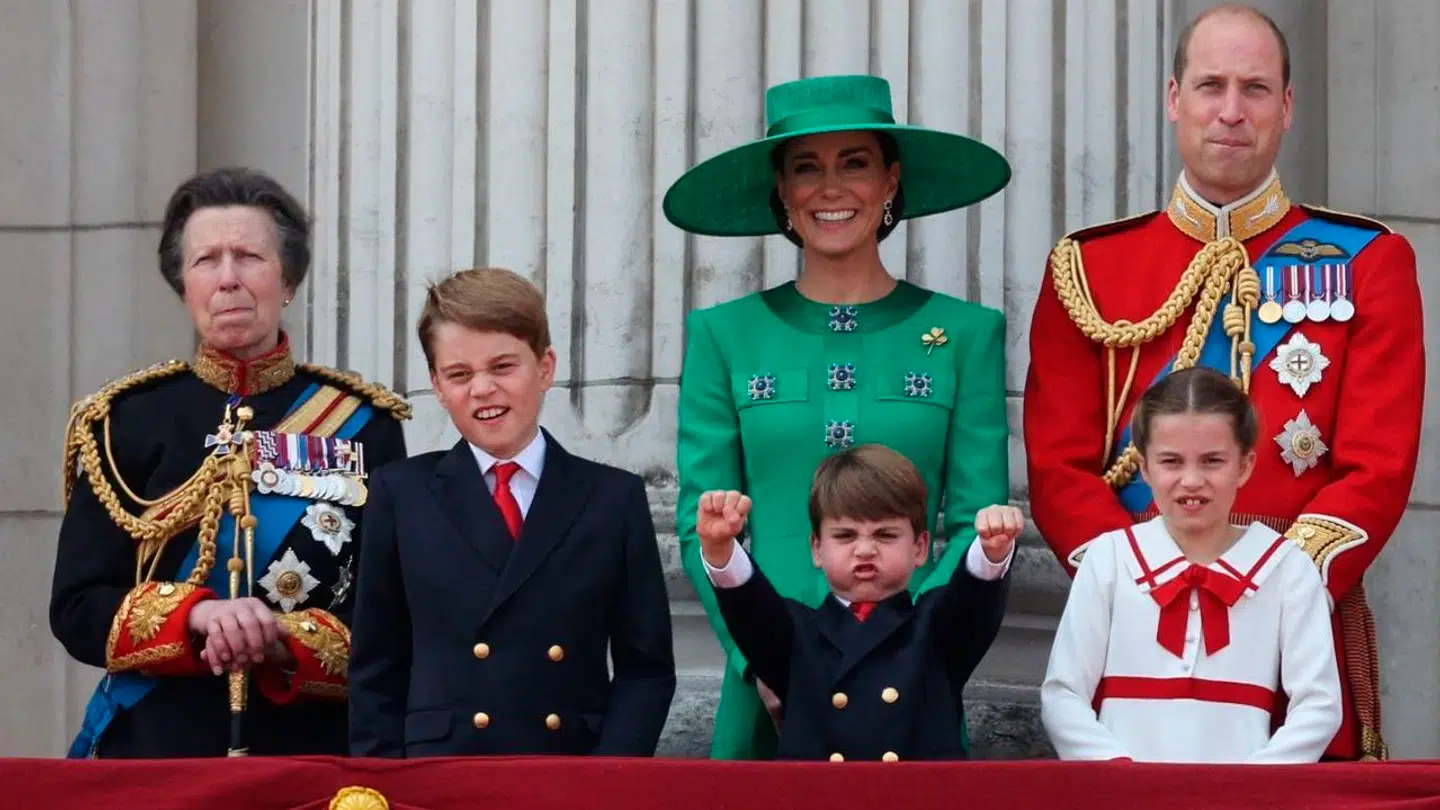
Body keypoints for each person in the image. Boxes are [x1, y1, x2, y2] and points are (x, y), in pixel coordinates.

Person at [1022, 3, 1424, 761]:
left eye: (1256, 89)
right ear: (1175, 99)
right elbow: (1057, 466)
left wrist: (1273, 592)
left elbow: (1378, 468)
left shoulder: (1369, 260)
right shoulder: (1090, 268)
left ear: (1288, 106)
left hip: (1293, 630)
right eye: (1211, 86)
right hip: (1133, 636)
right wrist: (1144, 587)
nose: (1231, 112)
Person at [664, 74, 1013, 760]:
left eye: (854, 163)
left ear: (890, 180)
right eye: (805, 168)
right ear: (782, 192)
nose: (830, 188)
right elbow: (697, 522)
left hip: (913, 684)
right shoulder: (722, 334)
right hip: (767, 680)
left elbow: (978, 518)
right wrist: (765, 659)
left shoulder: (966, 333)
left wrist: (916, 651)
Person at [51, 167, 412, 758]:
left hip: (309, 753)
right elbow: (77, 607)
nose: (227, 280)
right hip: (158, 748)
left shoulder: (365, 423)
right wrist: (198, 618)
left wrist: (279, 641)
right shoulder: (124, 421)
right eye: (206, 261)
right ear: (183, 285)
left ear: (288, 279)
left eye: (248, 256)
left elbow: (392, 617)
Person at [347, 267, 676, 758]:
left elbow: (645, 669)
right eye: (459, 374)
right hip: (439, 773)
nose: (482, 388)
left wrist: (609, 780)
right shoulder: (401, 494)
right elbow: (376, 666)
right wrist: (385, 785)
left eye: (502, 367)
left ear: (545, 367)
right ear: (438, 386)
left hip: (568, 769)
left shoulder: (612, 498)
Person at [1040, 367, 1342, 763]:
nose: (1192, 480)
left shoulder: (1288, 569)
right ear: (1144, 468)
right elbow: (1062, 692)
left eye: (1212, 461)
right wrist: (1115, 774)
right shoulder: (1109, 559)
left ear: (1245, 466)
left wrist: (1252, 786)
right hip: (1121, 796)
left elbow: (1319, 706)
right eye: (1171, 462)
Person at [695, 445, 1016, 762]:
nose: (865, 549)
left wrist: (992, 548)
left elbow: (972, 601)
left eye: (885, 535)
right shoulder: (797, 634)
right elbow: (749, 606)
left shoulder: (935, 629)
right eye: (846, 536)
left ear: (920, 548)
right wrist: (720, 547)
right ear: (817, 548)